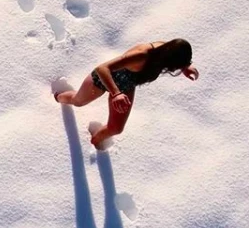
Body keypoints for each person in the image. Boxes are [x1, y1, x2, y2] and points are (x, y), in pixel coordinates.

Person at [54, 39, 199, 149]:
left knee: (116, 128)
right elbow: (102, 68)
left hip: (126, 86)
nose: (174, 70)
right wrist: (116, 93)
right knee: (78, 101)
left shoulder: (164, 52)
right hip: (104, 80)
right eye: (176, 67)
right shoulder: (141, 55)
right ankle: (57, 96)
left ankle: (93, 144)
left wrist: (186, 67)